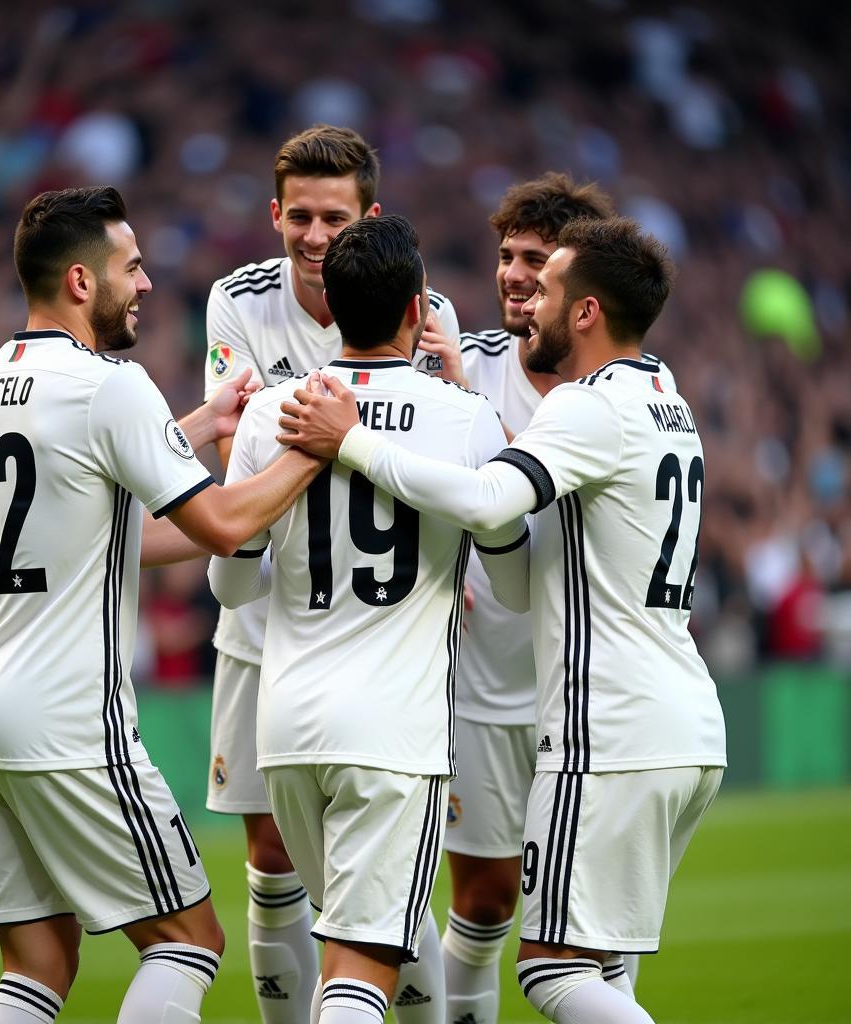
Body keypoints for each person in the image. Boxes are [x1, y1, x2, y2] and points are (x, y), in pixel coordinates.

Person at [277, 216, 727, 1024]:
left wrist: (355, 443)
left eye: (547, 290)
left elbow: (489, 498)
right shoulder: (670, 403)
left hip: (608, 729)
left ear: (585, 312)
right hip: (684, 724)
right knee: (604, 972)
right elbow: (518, 569)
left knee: (552, 972)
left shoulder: (590, 406)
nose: (527, 307)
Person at [0, 185, 324, 1024]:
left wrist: (206, 424)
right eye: (131, 267)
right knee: (189, 940)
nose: (145, 285)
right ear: (81, 281)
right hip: (63, 716)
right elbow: (218, 525)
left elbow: (101, 520)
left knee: (39, 961)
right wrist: (318, 452)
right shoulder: (110, 383)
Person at [208, 214, 517, 1024]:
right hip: (393, 735)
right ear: (420, 310)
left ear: (333, 309)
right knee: (361, 964)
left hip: (286, 729)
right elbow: (513, 584)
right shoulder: (466, 418)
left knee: (373, 935)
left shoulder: (275, 413)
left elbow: (233, 589)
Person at [420, 173, 667, 1023]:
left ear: (579, 283)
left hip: (589, 688)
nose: (516, 275)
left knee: (593, 934)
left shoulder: (622, 380)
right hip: (487, 679)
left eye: (537, 260)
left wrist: (468, 412)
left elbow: (518, 484)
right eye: (506, 256)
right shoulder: (472, 360)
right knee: (485, 903)